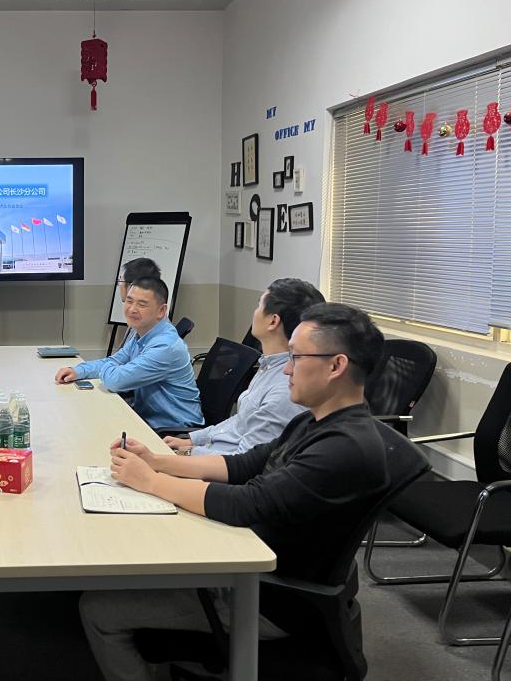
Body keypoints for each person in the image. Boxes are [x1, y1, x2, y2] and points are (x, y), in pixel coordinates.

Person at [79, 303, 391, 681]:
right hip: (253, 561)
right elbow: (242, 465)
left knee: (99, 610)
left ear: (336, 366)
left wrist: (149, 481)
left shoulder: (342, 448)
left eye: (296, 357)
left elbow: (248, 503)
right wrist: (158, 461)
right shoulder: (319, 421)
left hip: (268, 597)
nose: (286, 369)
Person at [162, 278, 324, 456]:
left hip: (219, 467)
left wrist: (189, 453)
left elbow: (244, 461)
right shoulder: (268, 365)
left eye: (259, 306)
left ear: (273, 321)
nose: (254, 313)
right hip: (210, 454)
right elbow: (241, 421)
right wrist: (193, 440)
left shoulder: (285, 389)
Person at [56, 277, 202, 431]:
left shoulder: (165, 347)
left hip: (174, 430)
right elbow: (115, 361)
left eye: (142, 304)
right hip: (146, 419)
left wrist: (113, 368)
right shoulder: (142, 332)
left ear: (161, 311)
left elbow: (115, 381)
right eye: (129, 301)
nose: (132, 309)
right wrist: (78, 371)